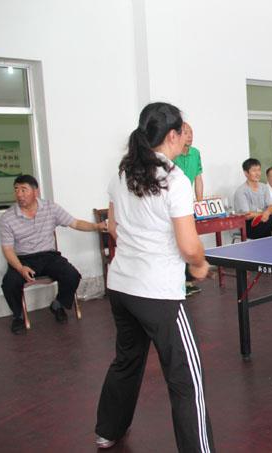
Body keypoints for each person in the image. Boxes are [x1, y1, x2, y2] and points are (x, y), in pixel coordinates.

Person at [95, 102, 214, 451]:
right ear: (172, 135)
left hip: (121, 286)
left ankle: (107, 431)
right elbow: (189, 245)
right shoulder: (175, 180)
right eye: (183, 132)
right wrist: (199, 264)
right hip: (159, 294)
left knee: (126, 361)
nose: (186, 138)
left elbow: (113, 227)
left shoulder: (122, 174)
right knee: (186, 379)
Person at [0, 174, 106, 335]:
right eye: (16, 190)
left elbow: (75, 223)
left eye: (23, 189)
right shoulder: (7, 218)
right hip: (23, 259)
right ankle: (18, 316)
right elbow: (7, 249)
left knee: (72, 275)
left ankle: (58, 305)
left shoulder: (50, 208)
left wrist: (96, 226)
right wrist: (20, 268)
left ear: (35, 192)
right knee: (9, 283)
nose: (19, 194)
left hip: (48, 256)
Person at [172, 122, 204, 297]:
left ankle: (188, 281)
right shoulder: (172, 155)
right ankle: (179, 282)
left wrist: (200, 203)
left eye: (191, 132)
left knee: (189, 241)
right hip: (173, 205)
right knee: (178, 243)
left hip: (188, 204)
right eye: (186, 132)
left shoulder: (196, 153)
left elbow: (198, 178)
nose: (190, 136)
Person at [233, 158, 272, 238]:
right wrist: (265, 213)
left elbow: (271, 206)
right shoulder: (241, 191)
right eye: (254, 170)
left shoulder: (264, 187)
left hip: (264, 220)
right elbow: (247, 215)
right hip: (249, 226)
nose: (257, 173)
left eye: (259, 170)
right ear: (246, 173)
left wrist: (267, 213)